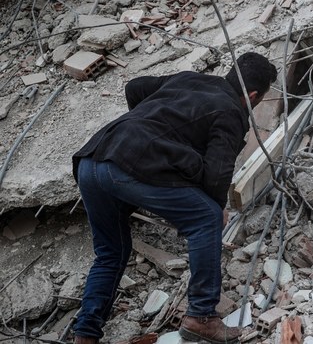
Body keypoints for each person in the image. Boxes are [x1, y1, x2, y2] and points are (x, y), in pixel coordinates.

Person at [71, 52, 278, 344]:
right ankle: (202, 317)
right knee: (206, 216)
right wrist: (215, 208)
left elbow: (135, 87)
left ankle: (85, 336)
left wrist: (148, 129)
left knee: (111, 253)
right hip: (128, 166)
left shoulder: (190, 78)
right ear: (253, 95)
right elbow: (217, 173)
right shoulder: (231, 110)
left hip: (92, 160)